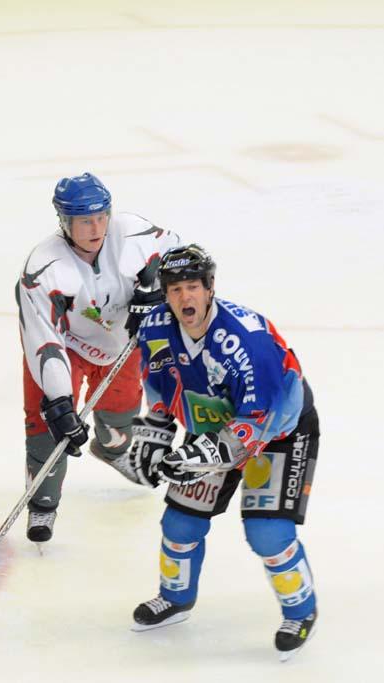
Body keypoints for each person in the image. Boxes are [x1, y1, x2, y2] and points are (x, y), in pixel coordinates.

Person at [128, 244, 319, 661]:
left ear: (210, 288)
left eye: (192, 287)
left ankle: (300, 610)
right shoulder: (157, 326)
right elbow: (159, 382)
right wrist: (157, 427)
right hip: (212, 432)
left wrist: (200, 455)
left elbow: (256, 419)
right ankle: (176, 597)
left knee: (267, 532)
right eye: (175, 289)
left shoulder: (245, 340)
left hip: (277, 433)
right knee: (179, 524)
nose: (184, 298)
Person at [16, 173, 181, 544]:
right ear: (64, 221)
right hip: (67, 347)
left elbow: (181, 260)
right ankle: (43, 502)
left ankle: (112, 446)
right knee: (49, 422)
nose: (96, 227)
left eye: (101, 216)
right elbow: (44, 342)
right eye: (85, 220)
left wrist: (155, 289)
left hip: (121, 344)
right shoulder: (43, 268)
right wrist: (60, 401)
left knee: (122, 410)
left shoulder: (135, 234)